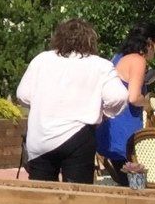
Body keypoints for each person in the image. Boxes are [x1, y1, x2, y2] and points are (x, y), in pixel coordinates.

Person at [15, 18, 129, 184]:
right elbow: (119, 96)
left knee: (41, 196)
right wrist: (105, 113)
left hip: (41, 136)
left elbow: (22, 94)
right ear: (90, 40)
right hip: (79, 136)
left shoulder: (41, 60)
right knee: (78, 197)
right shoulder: (100, 65)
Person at [96, 22, 155, 185]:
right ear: (150, 43)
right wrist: (147, 103)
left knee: (125, 180)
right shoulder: (138, 60)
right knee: (135, 184)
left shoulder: (118, 57)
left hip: (110, 127)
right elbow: (133, 97)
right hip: (125, 130)